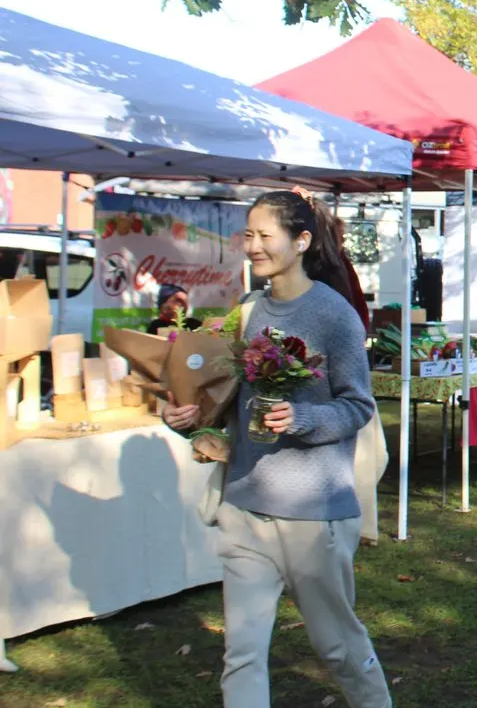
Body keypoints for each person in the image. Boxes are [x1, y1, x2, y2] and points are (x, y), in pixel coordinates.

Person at [162, 189, 389, 708]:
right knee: (241, 653)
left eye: (266, 236)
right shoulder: (245, 313)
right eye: (249, 235)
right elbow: (221, 407)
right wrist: (184, 420)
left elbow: (358, 407)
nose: (254, 246)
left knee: (338, 649)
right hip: (244, 508)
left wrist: (302, 417)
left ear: (301, 240)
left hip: (314, 518)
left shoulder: (335, 316)